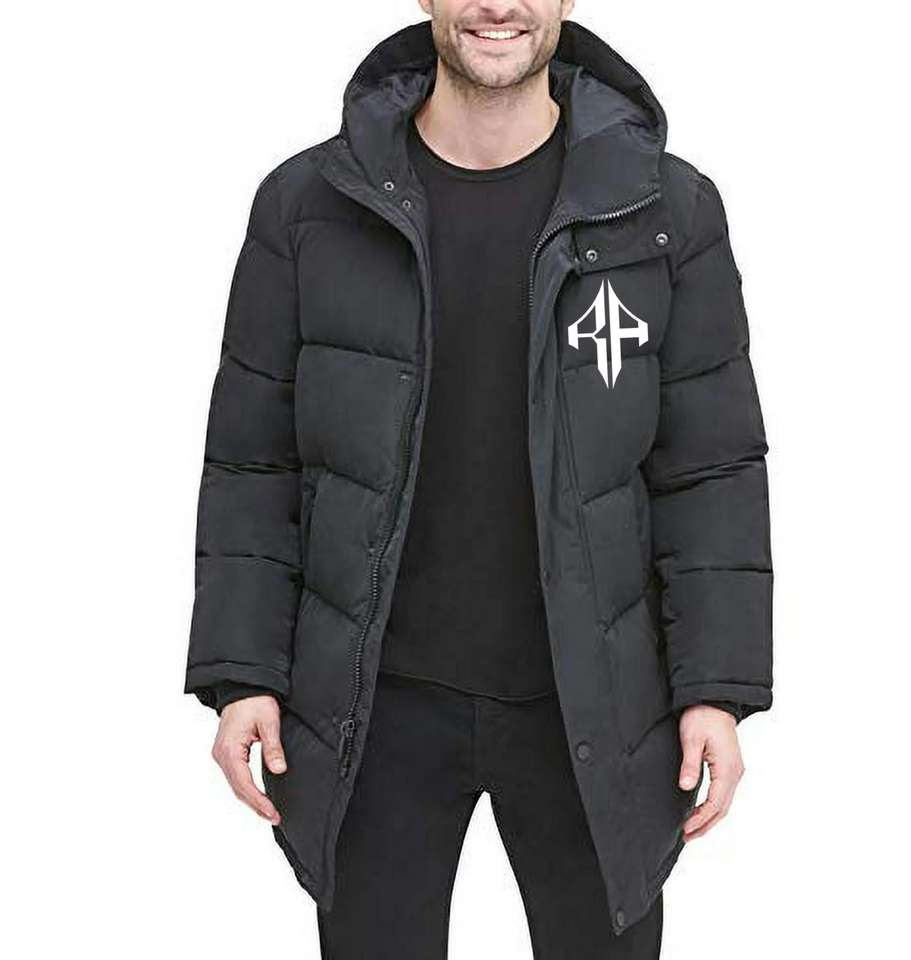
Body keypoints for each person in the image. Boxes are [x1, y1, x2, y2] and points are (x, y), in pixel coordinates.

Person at [184, 3, 773, 957]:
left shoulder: (665, 211)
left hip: (596, 701)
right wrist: (243, 671)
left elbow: (710, 468)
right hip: (373, 705)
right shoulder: (307, 206)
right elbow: (253, 458)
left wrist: (715, 687)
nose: (499, 6)